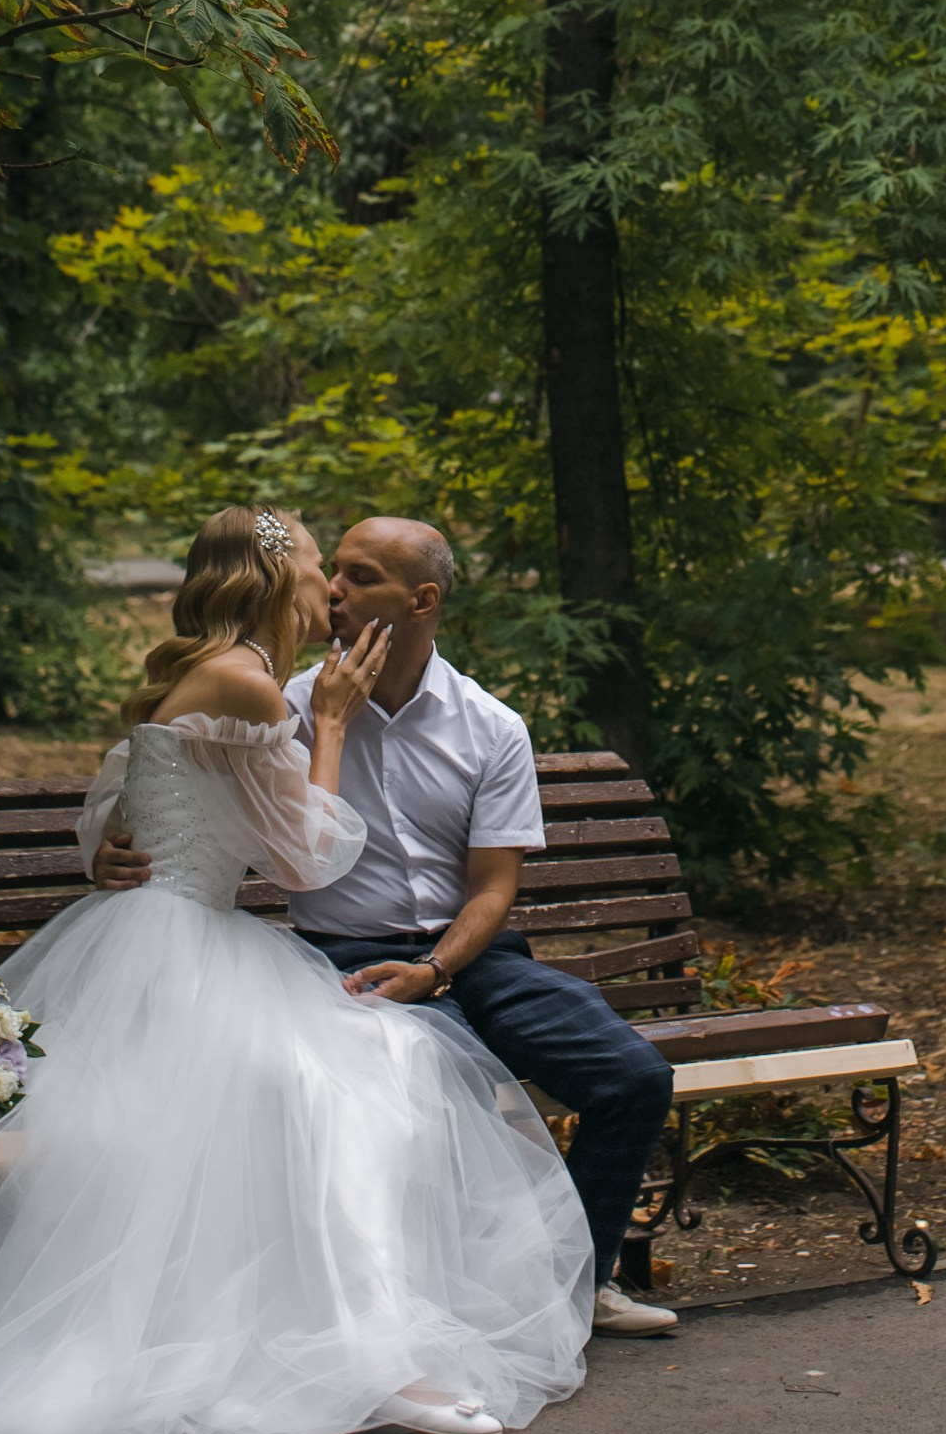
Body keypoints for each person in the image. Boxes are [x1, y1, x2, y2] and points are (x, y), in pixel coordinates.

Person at [0, 506, 593, 1434]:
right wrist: (333, 727)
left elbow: (114, 792)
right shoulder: (252, 686)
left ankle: (354, 1339)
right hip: (183, 953)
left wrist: (110, 847)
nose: (329, 588)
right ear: (273, 579)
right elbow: (308, 862)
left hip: (165, 939)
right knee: (345, 1089)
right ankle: (374, 1355)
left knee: (366, 1081)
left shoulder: (217, 674)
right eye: (316, 566)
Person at [91, 513, 680, 1339]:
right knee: (435, 1087)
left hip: (469, 957)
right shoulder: (288, 702)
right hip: (342, 960)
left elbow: (492, 890)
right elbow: (165, 775)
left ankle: (575, 1280)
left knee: (634, 1078)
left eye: (361, 577)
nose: (334, 589)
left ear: (422, 599)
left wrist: (437, 971)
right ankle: (439, 1305)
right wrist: (119, 851)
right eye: (331, 570)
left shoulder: (490, 727)